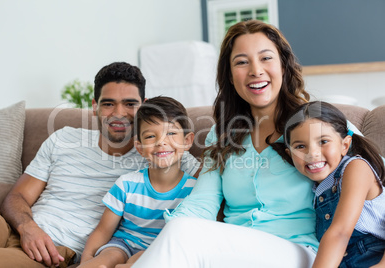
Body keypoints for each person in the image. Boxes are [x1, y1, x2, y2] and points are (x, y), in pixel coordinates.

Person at [130, 19, 319, 268]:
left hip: (296, 252)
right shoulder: (221, 135)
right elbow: (202, 201)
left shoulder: (317, 123)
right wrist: (163, 243)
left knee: (184, 233)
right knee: (182, 228)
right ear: (230, 76)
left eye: (266, 58)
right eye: (242, 62)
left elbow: (371, 172)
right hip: (231, 254)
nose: (255, 70)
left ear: (283, 65)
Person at [0, 62, 200, 268]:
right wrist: (27, 228)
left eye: (130, 104)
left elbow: (215, 187)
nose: (118, 113)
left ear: (145, 106)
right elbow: (16, 197)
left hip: (51, 252)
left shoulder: (162, 155)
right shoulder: (64, 138)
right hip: (10, 229)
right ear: (95, 106)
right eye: (108, 104)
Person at [78, 96, 197, 268]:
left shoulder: (193, 190)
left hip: (161, 251)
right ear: (140, 148)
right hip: (122, 244)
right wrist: (87, 259)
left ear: (187, 141)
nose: (161, 142)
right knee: (108, 257)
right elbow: (103, 231)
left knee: (141, 259)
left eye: (171, 133)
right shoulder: (126, 184)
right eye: (150, 136)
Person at [274, 101, 385, 268]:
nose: (312, 154)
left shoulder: (356, 168)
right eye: (300, 146)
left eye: (323, 141)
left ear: (344, 145)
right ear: (290, 154)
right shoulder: (317, 191)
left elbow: (340, 232)